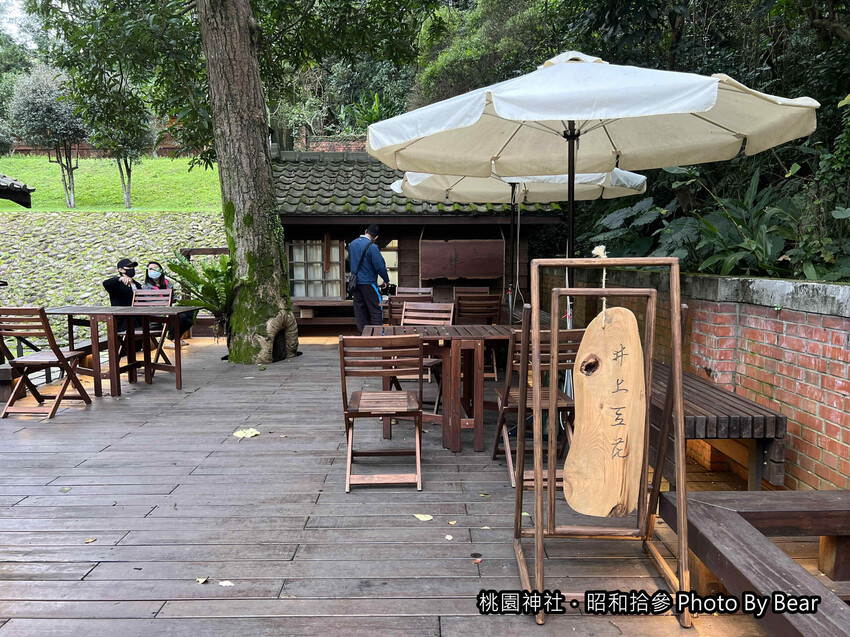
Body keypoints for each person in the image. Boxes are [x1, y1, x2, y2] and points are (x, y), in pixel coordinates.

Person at [348, 224, 390, 334]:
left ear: (366, 231)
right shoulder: (372, 247)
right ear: (376, 237)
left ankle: (364, 335)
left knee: (360, 310)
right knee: (376, 309)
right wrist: (386, 280)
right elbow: (380, 266)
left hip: (355, 283)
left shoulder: (352, 244)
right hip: (369, 283)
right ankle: (378, 335)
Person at [142, 260, 195, 348]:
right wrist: (166, 303)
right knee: (182, 317)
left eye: (156, 268)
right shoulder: (146, 287)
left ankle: (176, 338)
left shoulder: (167, 283)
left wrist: (178, 302)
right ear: (147, 272)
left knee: (189, 316)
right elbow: (150, 302)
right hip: (157, 312)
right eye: (150, 269)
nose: (153, 271)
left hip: (169, 310)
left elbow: (175, 296)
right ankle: (168, 339)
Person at [103, 258, 141, 332]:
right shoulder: (117, 285)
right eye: (129, 267)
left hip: (138, 319)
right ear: (121, 270)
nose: (132, 269)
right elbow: (106, 283)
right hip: (123, 321)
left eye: (133, 267)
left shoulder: (137, 285)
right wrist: (119, 279)